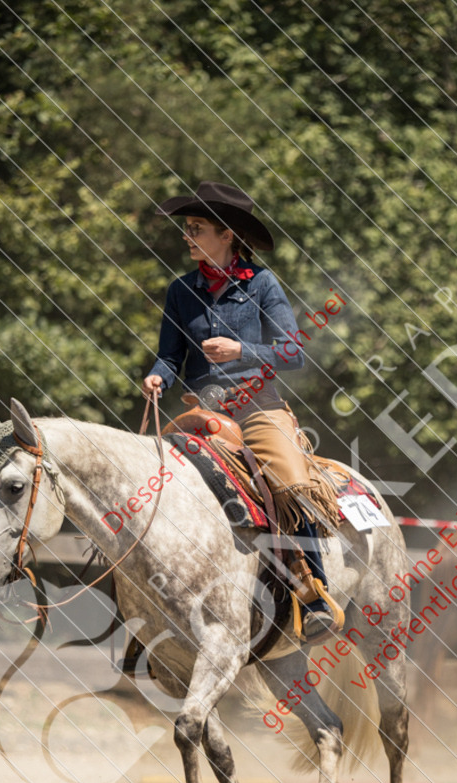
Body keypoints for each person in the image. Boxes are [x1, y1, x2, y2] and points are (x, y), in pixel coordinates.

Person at [143, 181, 339, 641]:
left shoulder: (264, 285)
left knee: (290, 481)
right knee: (153, 486)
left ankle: (313, 592)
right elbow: (170, 355)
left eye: (196, 228)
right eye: (186, 228)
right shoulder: (180, 291)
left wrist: (242, 351)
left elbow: (293, 353)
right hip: (200, 410)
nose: (186, 236)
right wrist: (159, 376)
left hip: (257, 408)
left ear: (227, 235)